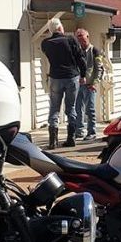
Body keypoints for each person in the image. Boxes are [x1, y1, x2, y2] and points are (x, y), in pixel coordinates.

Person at [40, 17, 86, 149]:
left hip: (55, 77)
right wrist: (83, 75)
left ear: (51, 30)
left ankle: (52, 141)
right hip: (72, 76)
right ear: (60, 28)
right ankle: (71, 138)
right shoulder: (71, 40)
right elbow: (80, 58)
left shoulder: (46, 43)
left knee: (54, 108)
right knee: (71, 107)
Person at [73, 28, 104, 141]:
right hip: (78, 84)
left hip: (90, 84)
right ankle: (79, 131)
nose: (81, 40)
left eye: (82, 37)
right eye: (78, 37)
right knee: (77, 108)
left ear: (88, 37)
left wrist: (95, 83)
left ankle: (92, 132)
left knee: (90, 109)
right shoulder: (76, 51)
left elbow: (100, 68)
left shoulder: (95, 51)